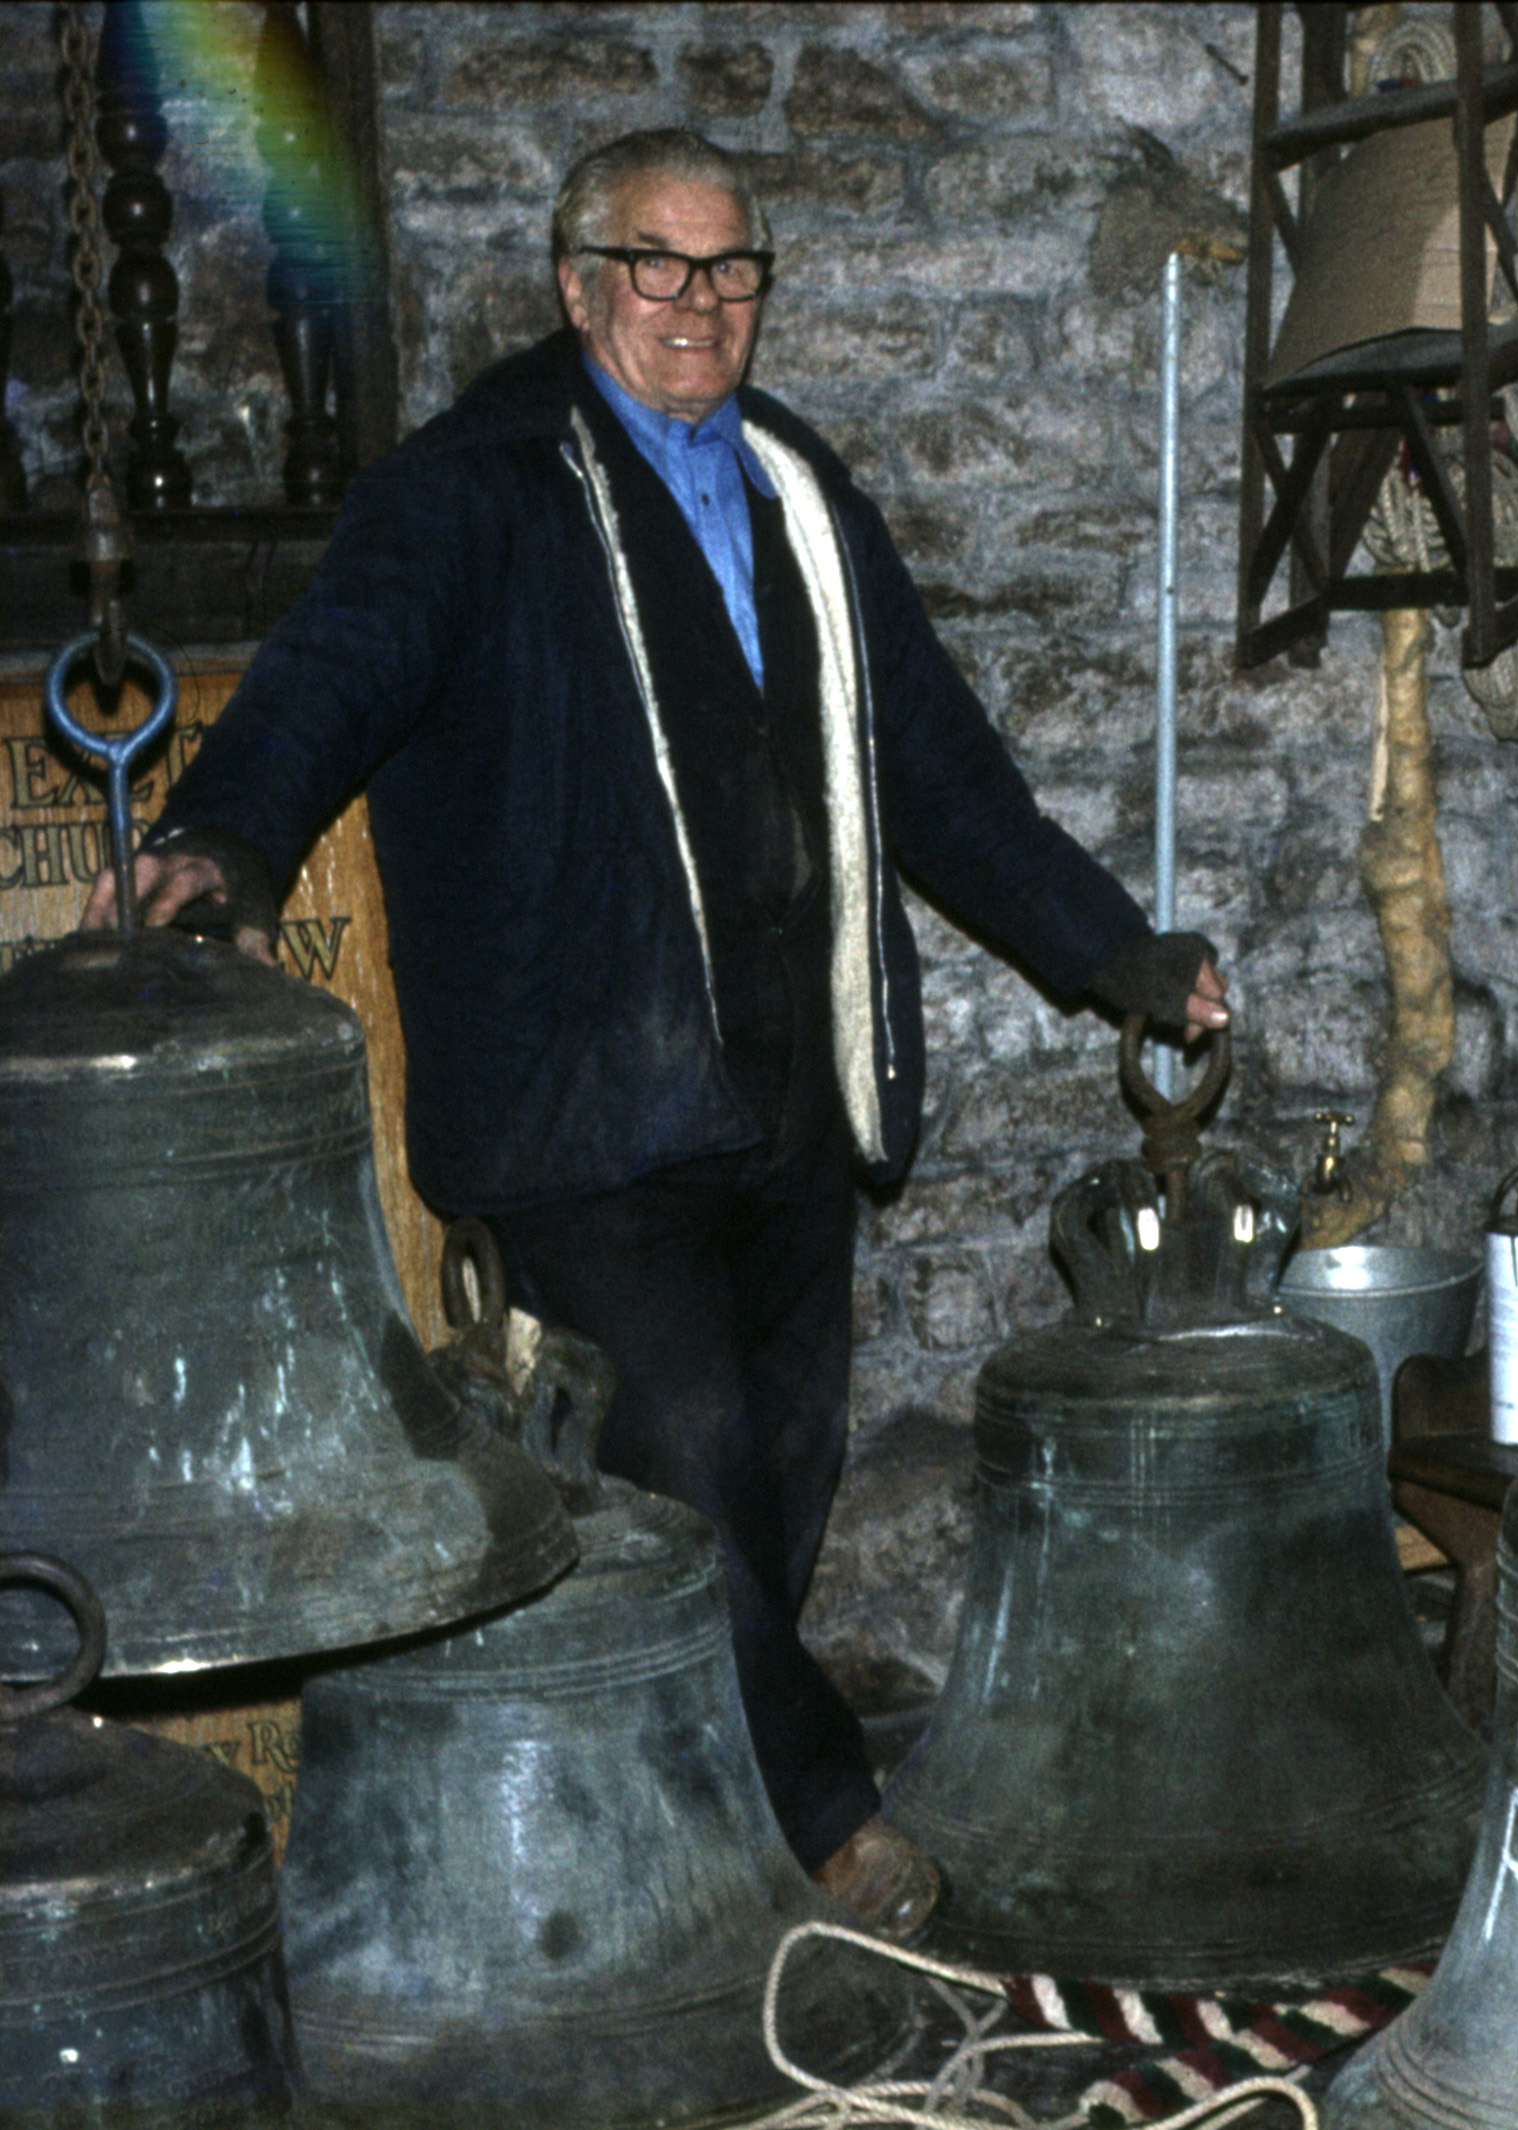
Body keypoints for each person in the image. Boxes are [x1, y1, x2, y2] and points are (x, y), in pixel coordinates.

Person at [85, 127, 1227, 1945]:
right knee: (685, 1456)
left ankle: (691, 1836)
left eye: (730, 267)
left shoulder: (799, 492)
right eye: (656, 264)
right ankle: (832, 1826)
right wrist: (222, 839)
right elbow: (332, 674)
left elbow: (946, 778)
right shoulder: (470, 491)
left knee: (786, 1463)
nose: (697, 302)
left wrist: (1122, 956)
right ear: (577, 282)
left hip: (784, 1091)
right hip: (582, 1107)